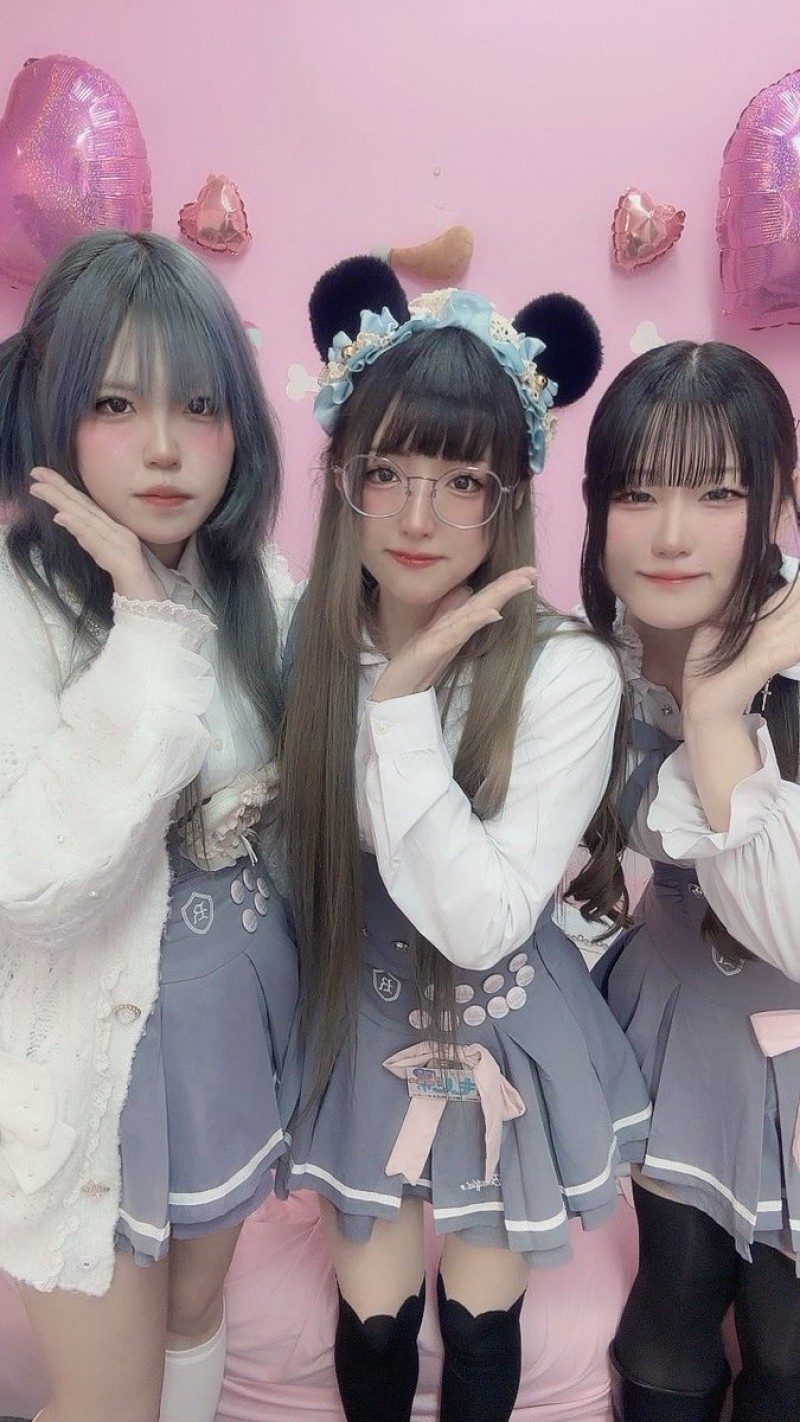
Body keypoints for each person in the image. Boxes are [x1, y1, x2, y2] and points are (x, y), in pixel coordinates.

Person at [277, 257, 653, 1422]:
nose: (417, 516)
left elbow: (482, 921)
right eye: (385, 472)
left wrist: (398, 709)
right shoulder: (305, 641)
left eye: (460, 481)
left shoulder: (565, 671)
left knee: (485, 1321)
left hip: (505, 1026)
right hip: (359, 1017)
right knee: (373, 1318)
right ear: (342, 477)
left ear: (508, 496)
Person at [0, 230, 297, 1422]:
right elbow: (35, 880)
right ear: (52, 413)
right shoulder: (17, 609)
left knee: (192, 1318)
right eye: (117, 403)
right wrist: (143, 620)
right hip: (90, 1069)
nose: (165, 447)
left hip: (228, 1044)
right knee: (108, 1399)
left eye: (200, 404)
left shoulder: (261, 590)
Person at [581, 339, 800, 1421]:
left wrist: (716, 710)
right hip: (673, 1028)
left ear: (780, 500)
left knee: (787, 1347)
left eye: (716, 493)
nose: (670, 535)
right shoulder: (597, 662)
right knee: (669, 1318)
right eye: (637, 492)